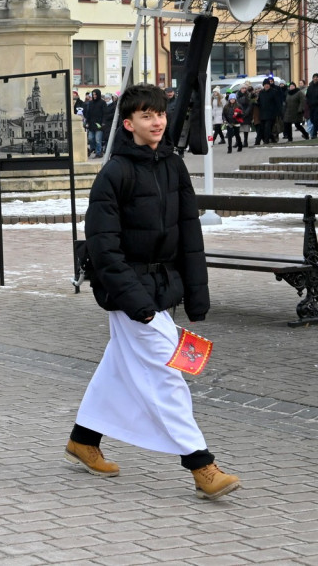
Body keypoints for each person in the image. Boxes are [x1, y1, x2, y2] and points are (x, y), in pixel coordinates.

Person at [65, 83, 240, 501]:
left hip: (162, 289)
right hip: (130, 295)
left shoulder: (173, 166)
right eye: (146, 115)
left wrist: (197, 294)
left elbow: (189, 233)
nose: (156, 121)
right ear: (128, 124)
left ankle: (82, 439)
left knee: (118, 369)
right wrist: (137, 304)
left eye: (159, 113)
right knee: (166, 374)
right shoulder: (114, 173)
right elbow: (104, 248)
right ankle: (201, 465)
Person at [83, 90, 107, 158]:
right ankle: (93, 148)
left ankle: (99, 152)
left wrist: (103, 122)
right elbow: (88, 113)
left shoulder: (103, 103)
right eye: (93, 95)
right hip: (91, 124)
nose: (94, 96)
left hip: (99, 124)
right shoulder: (90, 103)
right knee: (90, 138)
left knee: (98, 139)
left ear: (98, 95)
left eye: (95, 95)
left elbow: (105, 113)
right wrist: (87, 122)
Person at [256, 78, 280, 145]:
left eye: (268, 84)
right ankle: (272, 139)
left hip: (271, 114)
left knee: (267, 128)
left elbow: (277, 103)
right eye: (265, 84)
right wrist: (255, 103)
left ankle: (266, 141)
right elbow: (259, 102)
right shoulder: (261, 93)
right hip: (263, 113)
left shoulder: (274, 92)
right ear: (263, 85)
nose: (266, 86)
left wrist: (278, 112)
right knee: (263, 128)